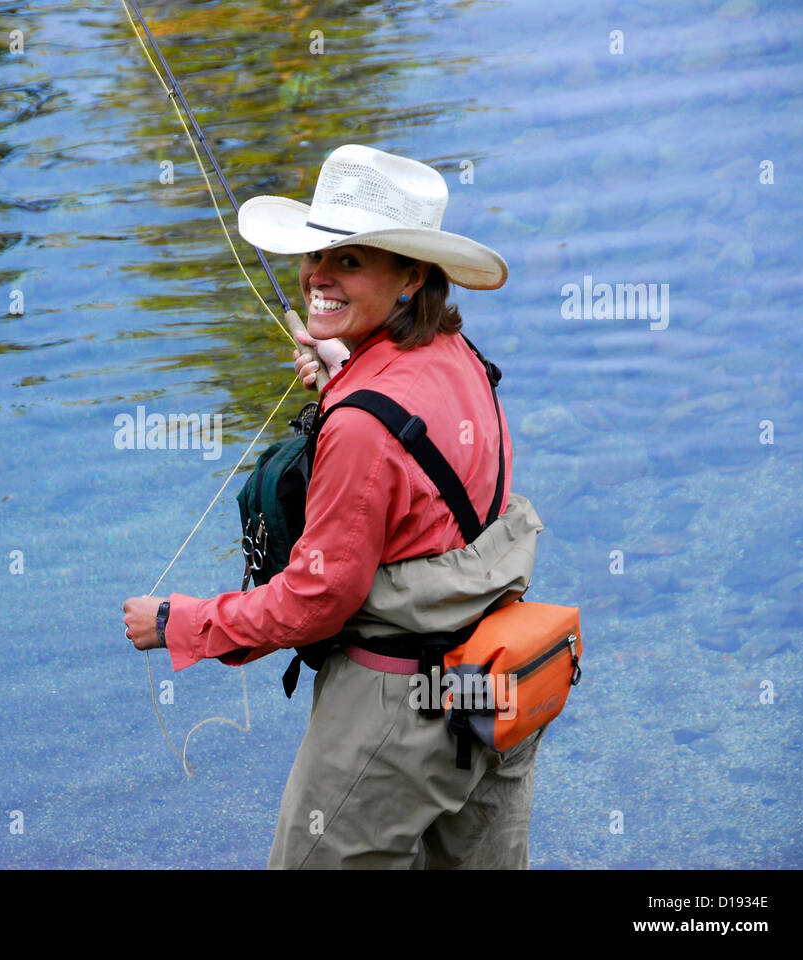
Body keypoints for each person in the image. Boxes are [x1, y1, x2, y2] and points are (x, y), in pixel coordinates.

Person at [122, 144, 547, 869]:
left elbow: (319, 599)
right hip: (494, 677)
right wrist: (345, 374)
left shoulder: (360, 423)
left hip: (399, 712)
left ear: (412, 275)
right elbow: (419, 471)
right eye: (318, 253)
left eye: (350, 260)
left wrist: (179, 622)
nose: (319, 273)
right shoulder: (458, 353)